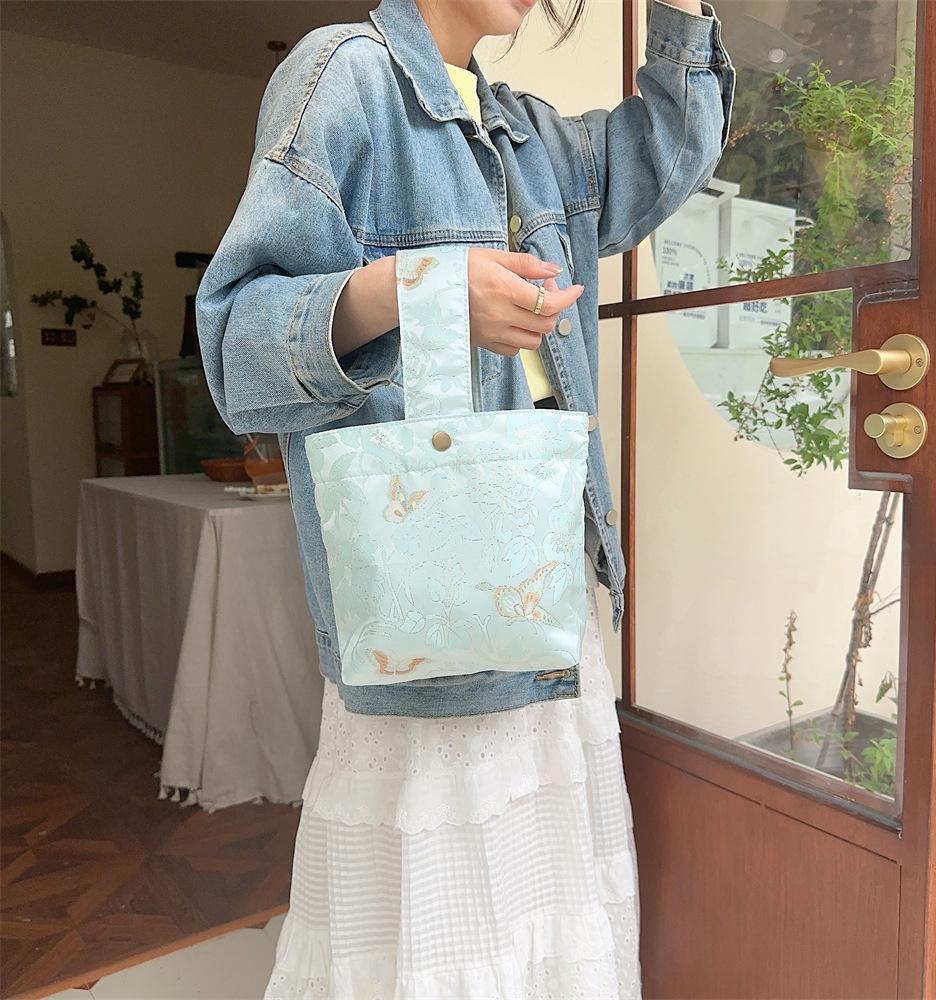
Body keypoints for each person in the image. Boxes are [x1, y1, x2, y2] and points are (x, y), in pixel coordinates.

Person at [195, 0, 734, 993]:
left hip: (545, 589)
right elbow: (237, 349)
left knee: (543, 914)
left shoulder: (529, 134)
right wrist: (420, 292)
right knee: (443, 933)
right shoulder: (345, 78)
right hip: (431, 611)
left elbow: (671, 148)